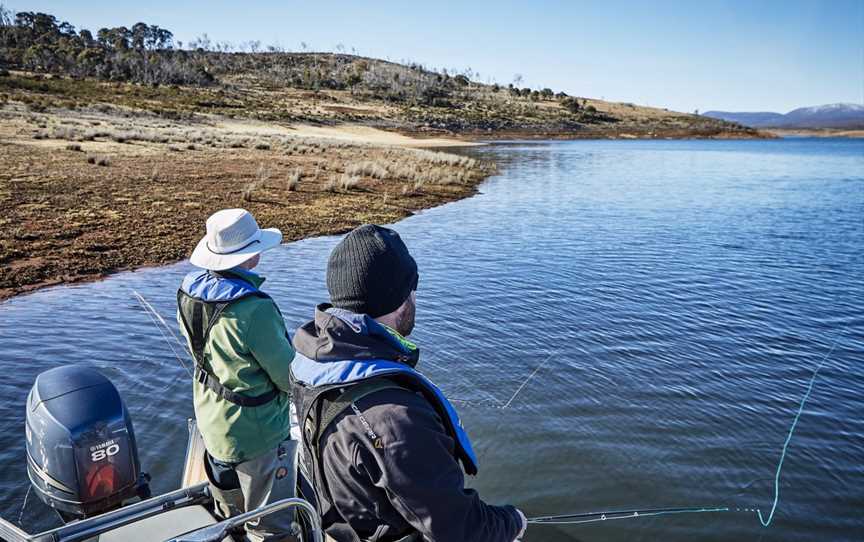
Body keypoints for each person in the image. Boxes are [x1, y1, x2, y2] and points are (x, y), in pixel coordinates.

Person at [290, 224, 527, 542]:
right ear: (399, 298)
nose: (415, 297)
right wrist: (513, 521)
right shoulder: (395, 417)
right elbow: (462, 530)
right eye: (412, 289)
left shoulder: (311, 361)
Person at [177, 208, 298, 541]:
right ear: (250, 256)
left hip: (211, 425)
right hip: (256, 438)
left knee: (230, 522)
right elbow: (288, 377)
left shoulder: (188, 293)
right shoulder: (256, 309)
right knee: (269, 529)